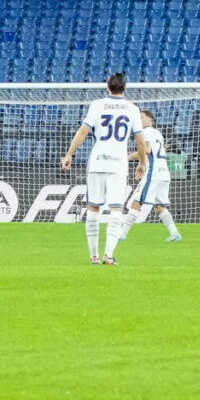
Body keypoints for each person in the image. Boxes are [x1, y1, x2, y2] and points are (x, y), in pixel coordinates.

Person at [58, 72, 141, 267]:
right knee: (116, 210)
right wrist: (143, 162)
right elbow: (140, 139)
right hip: (118, 164)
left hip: (97, 162)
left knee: (93, 207)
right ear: (124, 88)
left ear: (108, 87)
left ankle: (93, 256)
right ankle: (108, 256)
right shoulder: (132, 108)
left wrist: (69, 154)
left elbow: (83, 131)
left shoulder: (97, 105)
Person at [126, 111, 183, 244]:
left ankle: (121, 234)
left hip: (154, 173)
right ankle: (174, 233)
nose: (139, 120)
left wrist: (130, 157)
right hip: (164, 173)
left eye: (142, 117)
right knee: (159, 206)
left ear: (150, 118)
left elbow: (146, 150)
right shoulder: (158, 133)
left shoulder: (145, 132)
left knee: (136, 202)